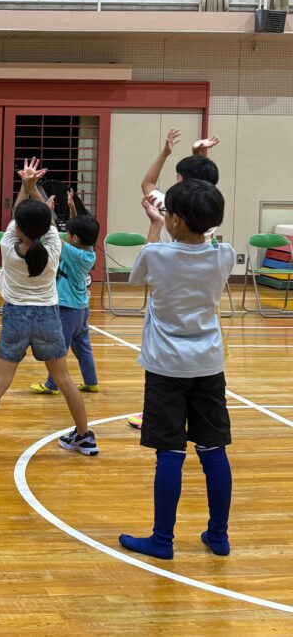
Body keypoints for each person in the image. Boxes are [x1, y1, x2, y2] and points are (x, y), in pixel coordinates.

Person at [119, 179, 234, 560]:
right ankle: (218, 536)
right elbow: (206, 242)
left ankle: (162, 540)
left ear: (177, 220)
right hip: (208, 363)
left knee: (169, 452)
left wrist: (154, 224)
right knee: (213, 449)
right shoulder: (225, 254)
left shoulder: (157, 255)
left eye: (168, 213)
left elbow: (137, 278)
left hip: (166, 365)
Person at [0, 158, 98, 461]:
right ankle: (85, 437)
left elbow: (19, 217)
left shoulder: (8, 247)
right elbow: (46, 220)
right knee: (64, 380)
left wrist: (24, 186)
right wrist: (34, 188)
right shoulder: (54, 246)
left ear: (17, 229)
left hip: (15, 315)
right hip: (48, 316)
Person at [129, 128, 221, 429]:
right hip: (200, 297)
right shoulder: (210, 216)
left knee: (165, 361)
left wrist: (167, 153)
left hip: (170, 286)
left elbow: (147, 183)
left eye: (179, 178)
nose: (176, 182)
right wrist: (196, 154)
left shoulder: (169, 208)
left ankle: (158, 411)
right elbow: (201, 187)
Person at [30, 192, 101, 395]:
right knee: (83, 348)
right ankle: (91, 382)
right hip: (81, 310)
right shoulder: (88, 253)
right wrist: (72, 209)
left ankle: (52, 385)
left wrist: (48, 214)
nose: (67, 236)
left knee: (58, 347)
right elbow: (76, 232)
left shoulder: (72, 253)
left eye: (69, 234)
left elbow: (53, 236)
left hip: (67, 309)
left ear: (75, 238)